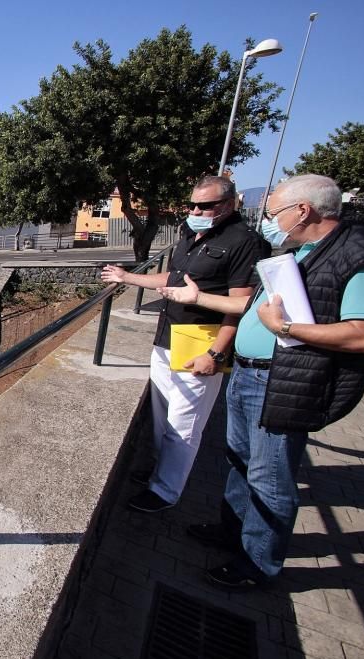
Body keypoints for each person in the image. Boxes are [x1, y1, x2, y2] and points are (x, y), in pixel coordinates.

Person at [158, 174, 364, 588]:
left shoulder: (356, 256)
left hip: (283, 381)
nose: (268, 219)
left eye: (274, 211)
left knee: (272, 477)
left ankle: (257, 565)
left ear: (303, 210)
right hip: (249, 371)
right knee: (240, 461)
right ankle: (233, 534)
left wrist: (289, 328)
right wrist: (199, 299)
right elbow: (252, 306)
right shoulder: (302, 250)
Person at [102, 176, 267, 513]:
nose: (195, 211)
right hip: (167, 337)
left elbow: (243, 305)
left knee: (184, 424)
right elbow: (172, 279)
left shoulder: (245, 242)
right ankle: (161, 470)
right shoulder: (191, 234)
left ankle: (165, 491)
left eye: (205, 206)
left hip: (201, 343)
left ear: (230, 204)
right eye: (193, 204)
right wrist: (127, 277)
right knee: (162, 416)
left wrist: (216, 353)